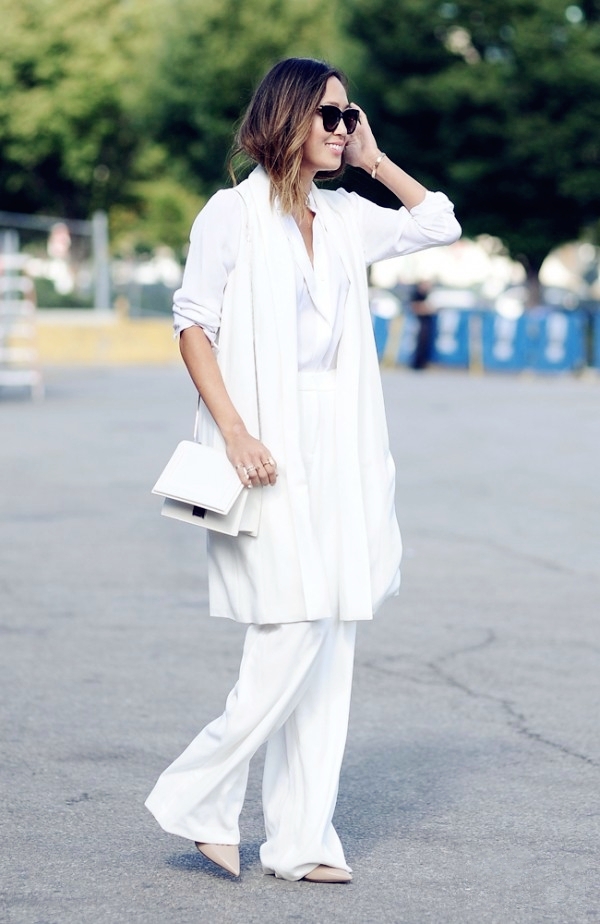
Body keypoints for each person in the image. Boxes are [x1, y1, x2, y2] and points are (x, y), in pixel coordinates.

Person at [145, 57, 461, 884]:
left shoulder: (346, 215)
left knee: (331, 643)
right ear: (284, 118)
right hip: (265, 444)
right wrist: (235, 431)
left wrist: (375, 160)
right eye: (329, 116)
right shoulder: (232, 214)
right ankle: (197, 796)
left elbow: (440, 225)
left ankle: (301, 840)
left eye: (349, 116)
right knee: (291, 630)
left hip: (342, 444)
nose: (341, 129)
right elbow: (194, 327)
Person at [409, 279, 437, 369]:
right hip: (419, 322)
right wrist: (427, 309)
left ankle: (423, 363)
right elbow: (415, 308)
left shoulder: (427, 295)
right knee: (419, 344)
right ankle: (416, 364)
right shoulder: (416, 294)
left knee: (425, 345)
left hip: (427, 323)